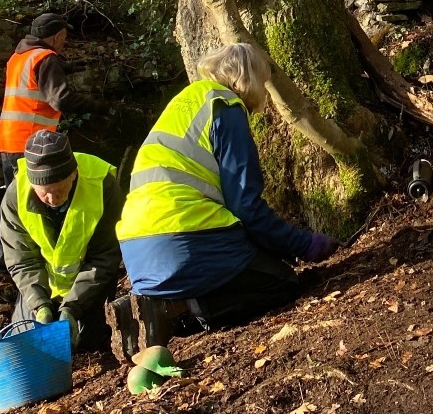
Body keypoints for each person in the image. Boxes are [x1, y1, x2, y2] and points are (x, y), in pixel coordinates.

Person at [115, 43, 340, 338]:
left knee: (251, 265)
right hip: (184, 240)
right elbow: (246, 208)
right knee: (281, 282)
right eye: (263, 81)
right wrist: (302, 244)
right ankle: (181, 310)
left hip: (137, 253)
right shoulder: (226, 107)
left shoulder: (187, 102)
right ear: (249, 78)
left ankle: (161, 304)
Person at [0, 12, 97, 272]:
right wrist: (99, 107)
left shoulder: (18, 57)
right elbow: (60, 99)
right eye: (64, 37)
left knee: (15, 203)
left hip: (10, 141)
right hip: (31, 146)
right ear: (57, 35)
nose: (64, 42)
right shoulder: (46, 59)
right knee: (25, 205)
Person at [0, 130, 121, 351]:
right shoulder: (15, 195)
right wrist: (40, 306)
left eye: (59, 189)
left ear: (73, 174)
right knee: (28, 344)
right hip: (42, 286)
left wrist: (73, 307)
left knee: (85, 344)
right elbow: (22, 260)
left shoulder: (102, 185)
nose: (53, 199)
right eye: (44, 193)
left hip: (89, 286)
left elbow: (105, 256)